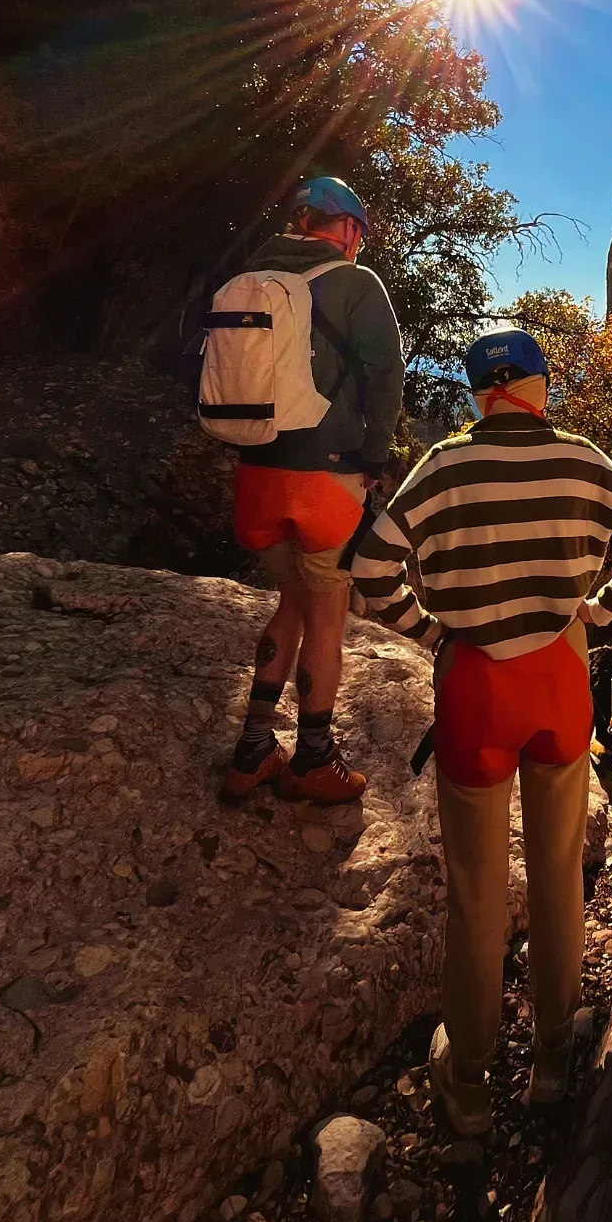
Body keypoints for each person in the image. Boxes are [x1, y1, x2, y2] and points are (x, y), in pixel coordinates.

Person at [349, 327, 612, 1134]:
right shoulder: (579, 458)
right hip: (559, 684)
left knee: (475, 894)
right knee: (559, 873)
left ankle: (466, 1085)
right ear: (538, 388)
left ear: (475, 394)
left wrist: (435, 635)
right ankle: (554, 1059)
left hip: (474, 692)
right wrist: (593, 613)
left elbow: (370, 573)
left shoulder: (443, 467)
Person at [222, 175, 405, 809]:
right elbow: (386, 378)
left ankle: (252, 749)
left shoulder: (252, 279)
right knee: (328, 616)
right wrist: (375, 459)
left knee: (289, 602)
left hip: (256, 477)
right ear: (346, 228)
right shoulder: (356, 283)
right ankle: (314, 759)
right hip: (325, 479)